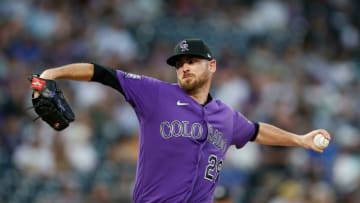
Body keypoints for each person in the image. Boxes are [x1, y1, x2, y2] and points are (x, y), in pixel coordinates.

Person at [32, 39, 331, 202]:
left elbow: (255, 131)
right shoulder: (156, 93)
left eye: (192, 61)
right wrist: (51, 74)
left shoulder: (226, 116)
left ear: (211, 66)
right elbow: (102, 73)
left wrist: (299, 139)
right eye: (179, 64)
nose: (184, 67)